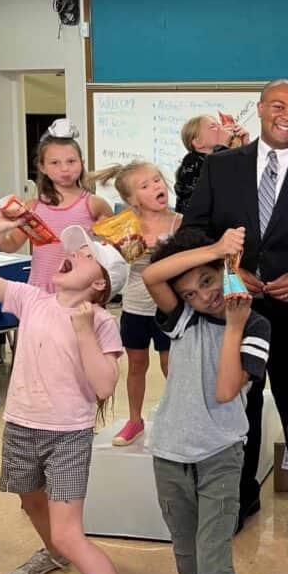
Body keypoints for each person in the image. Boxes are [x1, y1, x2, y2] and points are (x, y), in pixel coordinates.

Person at [0, 215, 149, 574]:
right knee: (28, 500)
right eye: (71, 251)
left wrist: (82, 331)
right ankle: (53, 553)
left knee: (69, 533)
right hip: (21, 426)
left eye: (84, 256)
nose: (70, 255)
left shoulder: (100, 322)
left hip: (67, 437)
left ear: (99, 284)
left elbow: (102, 386)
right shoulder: (31, 299)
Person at [183, 78, 288, 533]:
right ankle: (240, 498)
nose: (287, 115)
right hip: (233, 312)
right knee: (237, 410)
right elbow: (194, 232)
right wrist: (229, 269)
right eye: (277, 106)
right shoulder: (221, 168)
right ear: (259, 110)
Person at [141, 226, 271, 574]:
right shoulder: (184, 318)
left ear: (226, 270)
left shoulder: (255, 325)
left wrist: (234, 326)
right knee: (184, 546)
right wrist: (215, 250)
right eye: (190, 293)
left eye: (208, 281)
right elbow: (151, 276)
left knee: (214, 557)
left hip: (221, 453)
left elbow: (225, 390)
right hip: (170, 451)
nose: (202, 296)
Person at [90, 162, 182, 447]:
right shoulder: (126, 225)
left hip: (169, 306)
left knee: (172, 366)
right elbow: (110, 258)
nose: (156, 187)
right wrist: (108, 246)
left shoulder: (180, 222)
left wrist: (165, 247)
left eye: (157, 180)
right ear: (131, 200)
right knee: (136, 365)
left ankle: (179, 421)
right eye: (145, 186)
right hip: (135, 306)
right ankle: (134, 419)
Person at [0, 119, 113, 292]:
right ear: (42, 167)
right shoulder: (32, 207)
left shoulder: (94, 204)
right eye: (55, 163)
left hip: (80, 290)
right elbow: (11, 245)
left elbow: (113, 246)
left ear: (82, 163)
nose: (64, 169)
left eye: (71, 161)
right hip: (41, 289)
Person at [174, 114, 248, 214]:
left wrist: (246, 148)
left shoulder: (224, 158)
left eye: (219, 125)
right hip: (199, 226)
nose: (222, 129)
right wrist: (222, 146)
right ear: (198, 142)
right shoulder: (191, 162)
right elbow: (219, 183)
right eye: (213, 127)